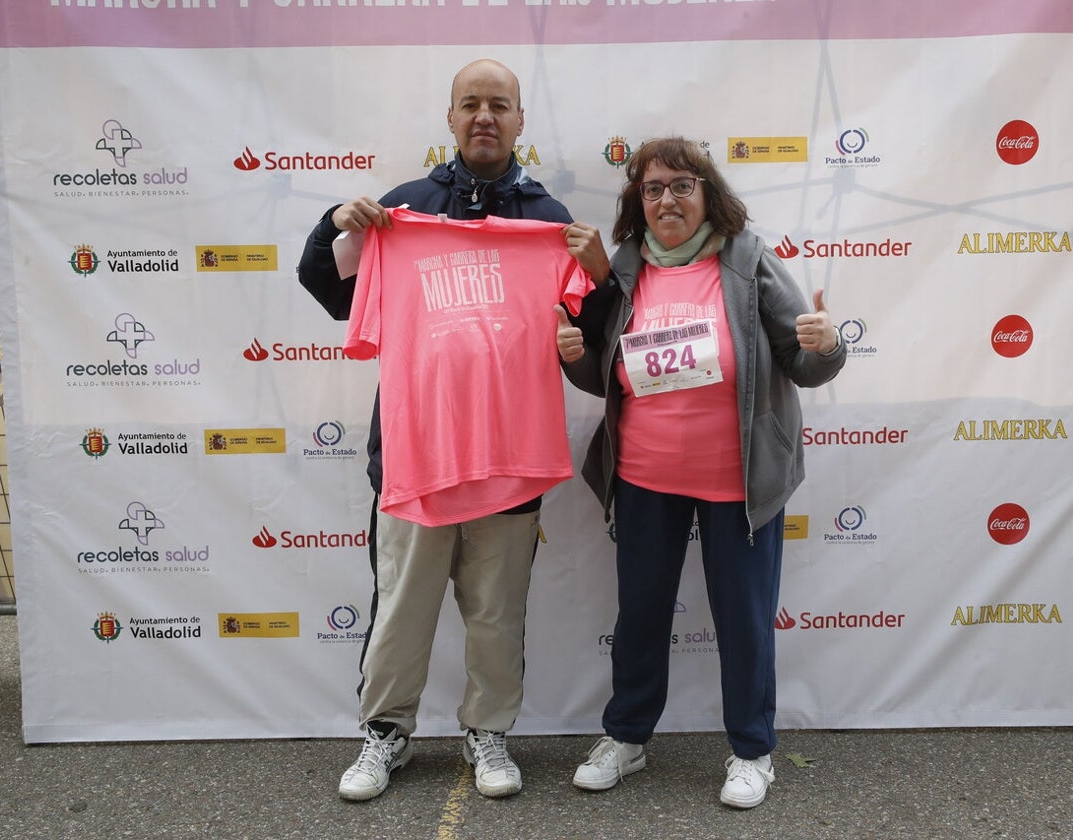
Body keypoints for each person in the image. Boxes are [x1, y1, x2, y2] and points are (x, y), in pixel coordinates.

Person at [297, 58, 609, 802]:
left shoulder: (549, 221)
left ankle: (488, 730)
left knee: (497, 610)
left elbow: (593, 329)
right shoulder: (401, 212)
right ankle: (385, 733)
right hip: (413, 455)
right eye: (471, 104)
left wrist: (596, 283)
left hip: (509, 458)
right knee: (401, 607)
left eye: (499, 105)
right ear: (450, 117)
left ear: (520, 120)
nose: (484, 117)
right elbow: (332, 294)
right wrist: (333, 227)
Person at [555, 136, 845, 809]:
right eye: (652, 189)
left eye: (681, 185)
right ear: (639, 203)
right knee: (641, 616)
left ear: (706, 194)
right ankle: (626, 738)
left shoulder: (746, 261)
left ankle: (751, 751)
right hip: (644, 478)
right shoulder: (625, 269)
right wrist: (573, 356)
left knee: (743, 620)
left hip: (739, 485)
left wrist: (827, 345)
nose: (666, 200)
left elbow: (801, 362)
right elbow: (608, 375)